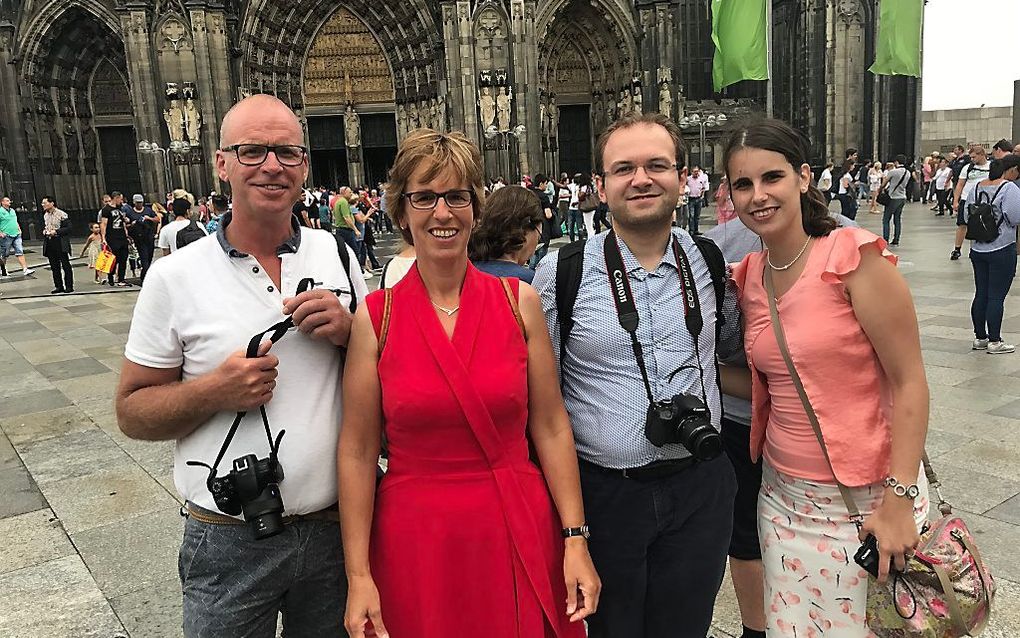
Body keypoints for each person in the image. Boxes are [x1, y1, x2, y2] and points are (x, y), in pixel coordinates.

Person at [116, 94, 367, 636]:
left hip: (337, 531)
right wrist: (215, 390)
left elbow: (383, 380)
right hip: (230, 538)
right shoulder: (174, 277)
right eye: (251, 151)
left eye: (286, 152)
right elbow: (132, 413)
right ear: (221, 163)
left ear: (304, 165)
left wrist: (351, 336)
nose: (271, 166)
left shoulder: (340, 256)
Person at [338, 128, 599, 638]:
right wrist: (358, 574)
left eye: (457, 196)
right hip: (417, 537)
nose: (442, 213)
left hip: (514, 519)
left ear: (475, 208)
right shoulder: (377, 318)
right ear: (401, 210)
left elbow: (550, 426)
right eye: (425, 197)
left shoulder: (517, 303)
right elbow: (357, 449)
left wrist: (575, 539)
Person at [533, 112, 741, 638]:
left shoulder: (711, 261)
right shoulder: (563, 272)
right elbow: (541, 398)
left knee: (686, 628)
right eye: (624, 168)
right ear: (600, 187)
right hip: (607, 498)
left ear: (681, 177)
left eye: (656, 165)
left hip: (701, 486)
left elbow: (742, 348)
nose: (641, 179)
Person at [724, 118, 930, 637]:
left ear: (803, 177)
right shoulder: (750, 276)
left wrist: (899, 501)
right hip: (783, 501)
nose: (758, 196)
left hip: (869, 501)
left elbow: (910, 382)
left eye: (772, 177)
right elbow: (782, 383)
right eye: (743, 184)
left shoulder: (853, 257)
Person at [958, 154, 1020, 354]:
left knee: (981, 293)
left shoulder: (977, 186)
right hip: (1001, 247)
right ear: (1010, 170)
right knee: (996, 296)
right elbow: (1014, 216)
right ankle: (995, 341)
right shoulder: (1008, 188)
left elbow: (967, 215)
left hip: (978, 248)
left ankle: (980, 337)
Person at [469, 184, 544, 284]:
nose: (535, 249)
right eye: (538, 238)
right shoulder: (530, 282)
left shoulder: (464, 273)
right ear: (525, 231)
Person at [951, 145, 992, 260]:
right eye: (971, 157)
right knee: (962, 224)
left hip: (983, 200)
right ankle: (957, 248)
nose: (972, 159)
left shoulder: (991, 166)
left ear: (982, 155)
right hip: (966, 199)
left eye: (974, 157)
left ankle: (975, 248)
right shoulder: (967, 168)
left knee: (978, 224)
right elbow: (960, 185)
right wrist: (955, 200)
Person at [41, 196, 73, 294]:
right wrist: (45, 231)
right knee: (54, 266)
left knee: (65, 264)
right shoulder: (45, 215)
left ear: (52, 203)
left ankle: (69, 286)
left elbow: (69, 228)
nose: (43, 205)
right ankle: (59, 286)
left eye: (45, 203)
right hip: (50, 241)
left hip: (60, 241)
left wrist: (56, 232)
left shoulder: (61, 214)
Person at [100, 191, 131, 286]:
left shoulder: (120, 209)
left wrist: (127, 235)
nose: (121, 201)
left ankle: (121, 278)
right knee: (114, 258)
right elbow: (103, 224)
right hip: (112, 237)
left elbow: (124, 223)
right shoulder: (106, 210)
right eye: (120, 199)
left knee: (123, 258)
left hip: (122, 236)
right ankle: (111, 276)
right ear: (115, 198)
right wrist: (103, 238)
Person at [126, 194, 158, 284]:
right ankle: (147, 278)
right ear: (134, 202)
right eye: (137, 203)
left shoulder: (148, 210)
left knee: (149, 257)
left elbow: (157, 219)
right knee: (144, 258)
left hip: (149, 236)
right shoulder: (130, 212)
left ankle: (144, 275)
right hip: (139, 238)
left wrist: (149, 218)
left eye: (141, 203)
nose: (139, 204)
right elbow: (126, 224)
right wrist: (132, 224)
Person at [0, 196, 34, 277]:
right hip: (6, 235)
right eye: (7, 201)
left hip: (16, 234)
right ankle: (3, 270)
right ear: (2, 202)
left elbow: (15, 220)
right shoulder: (0, 211)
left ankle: (25, 269)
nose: (9, 202)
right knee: (4, 254)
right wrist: (1, 233)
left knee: (20, 251)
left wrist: (19, 229)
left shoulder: (12, 211)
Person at [879, 154, 910, 246]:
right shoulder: (907, 172)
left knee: (886, 219)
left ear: (896, 162)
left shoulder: (893, 172)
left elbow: (884, 183)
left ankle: (885, 239)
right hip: (902, 197)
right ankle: (896, 239)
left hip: (893, 197)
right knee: (897, 219)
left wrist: (880, 190)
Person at [686, 164, 710, 234]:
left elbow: (704, 187)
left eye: (697, 171)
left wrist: (702, 195)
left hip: (698, 199)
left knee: (697, 216)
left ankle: (696, 230)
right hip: (691, 199)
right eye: (694, 171)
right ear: (691, 172)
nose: (696, 173)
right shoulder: (688, 179)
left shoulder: (701, 179)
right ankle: (691, 230)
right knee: (691, 216)